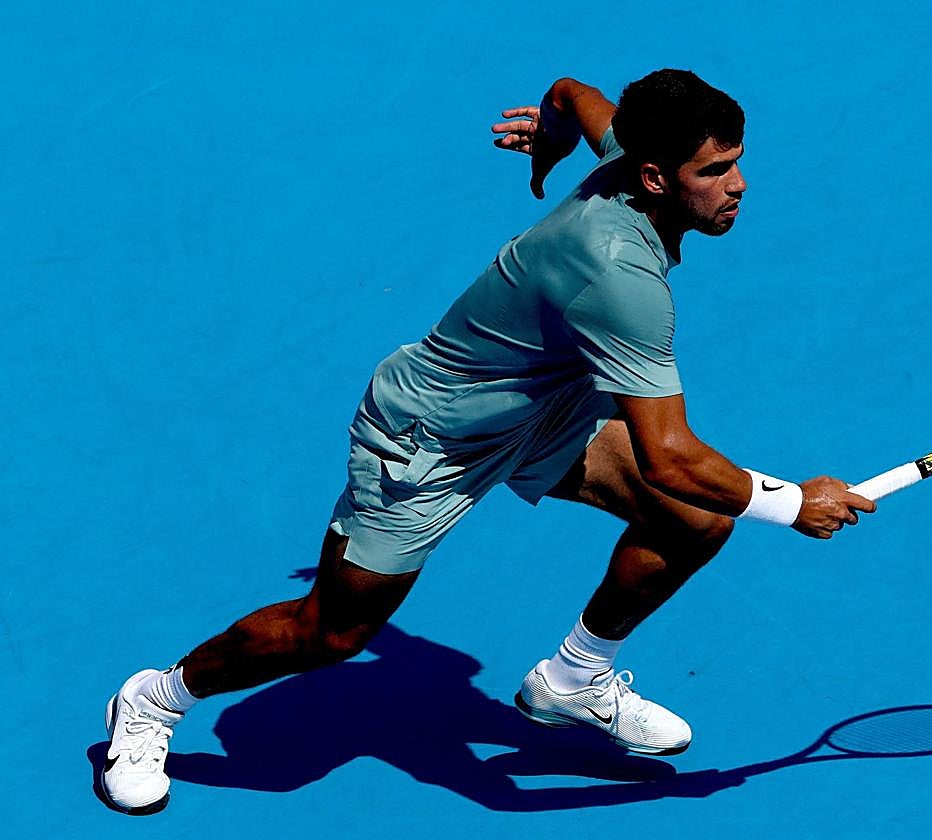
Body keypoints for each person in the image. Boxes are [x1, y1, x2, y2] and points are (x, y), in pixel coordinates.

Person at [100, 69, 875, 815]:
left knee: (693, 518)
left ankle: (573, 680)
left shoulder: (626, 154)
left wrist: (552, 135)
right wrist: (790, 503)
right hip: (430, 439)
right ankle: (153, 700)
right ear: (654, 177)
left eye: (737, 162)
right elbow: (669, 451)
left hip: (539, 412)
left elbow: (573, 92)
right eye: (715, 170)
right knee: (332, 631)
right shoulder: (620, 277)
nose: (738, 184)